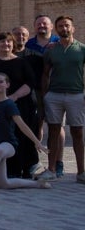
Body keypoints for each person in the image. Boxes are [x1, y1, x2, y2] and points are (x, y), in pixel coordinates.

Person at [0, 73, 52, 192]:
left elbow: (22, 125)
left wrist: (37, 142)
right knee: (3, 184)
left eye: (0, 82)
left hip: (8, 145)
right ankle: (37, 184)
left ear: (7, 85)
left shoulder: (9, 104)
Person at [0, 32, 39, 179]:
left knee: (20, 136)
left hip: (20, 104)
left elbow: (30, 83)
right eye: (2, 42)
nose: (5, 44)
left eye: (8, 42)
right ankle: (0, 170)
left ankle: (23, 169)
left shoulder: (22, 62)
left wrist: (13, 97)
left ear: (13, 44)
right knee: (0, 135)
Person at [41, 15, 85, 183]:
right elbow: (45, 74)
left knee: (77, 132)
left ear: (73, 28)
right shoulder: (51, 49)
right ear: (56, 29)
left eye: (67, 26)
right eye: (60, 26)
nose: (64, 29)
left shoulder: (81, 49)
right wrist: (45, 95)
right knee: (53, 130)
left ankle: (81, 172)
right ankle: (51, 169)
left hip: (76, 95)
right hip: (55, 95)